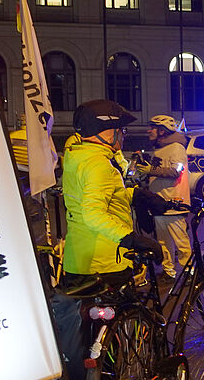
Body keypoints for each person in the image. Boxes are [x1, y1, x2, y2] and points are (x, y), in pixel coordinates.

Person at [60, 100, 171, 283]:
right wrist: (131, 239)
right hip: (105, 263)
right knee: (131, 311)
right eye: (121, 130)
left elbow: (98, 197)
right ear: (107, 131)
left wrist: (137, 195)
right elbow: (93, 213)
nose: (123, 135)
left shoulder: (79, 157)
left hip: (81, 260)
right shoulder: (98, 164)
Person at [139, 114, 192, 281]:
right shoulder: (159, 148)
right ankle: (168, 271)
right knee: (163, 242)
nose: (149, 131)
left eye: (152, 128)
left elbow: (176, 171)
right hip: (159, 202)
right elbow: (157, 172)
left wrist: (151, 171)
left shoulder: (177, 147)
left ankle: (189, 272)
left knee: (180, 241)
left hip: (174, 202)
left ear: (162, 131)